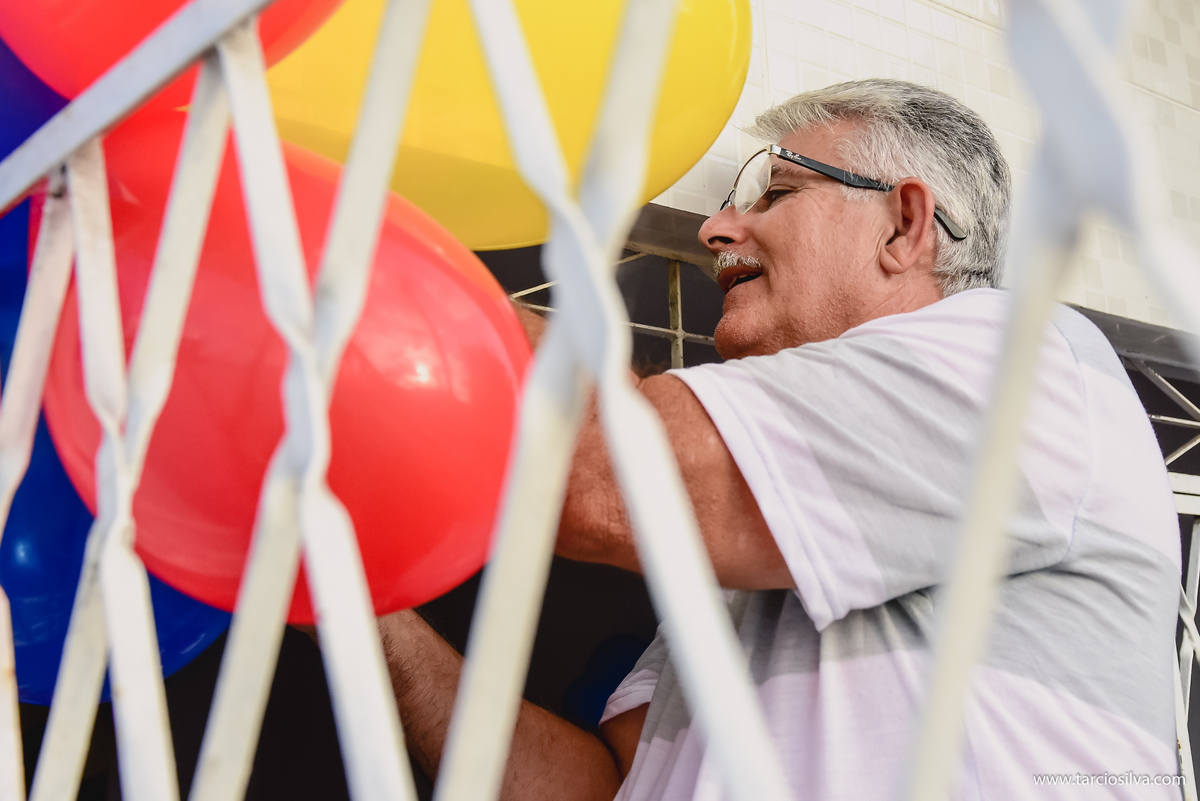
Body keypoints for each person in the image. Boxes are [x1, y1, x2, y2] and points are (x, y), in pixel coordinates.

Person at [378, 79, 1183, 799]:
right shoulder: (765, 543)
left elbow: (602, 482)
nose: (717, 229)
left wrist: (355, 258)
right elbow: (612, 786)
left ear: (905, 226)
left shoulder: (1015, 358)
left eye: (775, 193)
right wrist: (375, 615)